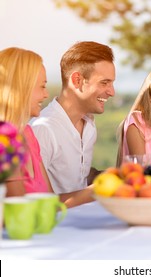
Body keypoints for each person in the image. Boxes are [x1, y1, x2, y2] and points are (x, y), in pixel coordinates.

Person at [0, 47, 94, 207]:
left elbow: (49, 203)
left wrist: (98, 190)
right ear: (22, 88)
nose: (46, 95)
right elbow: (18, 214)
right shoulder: (5, 141)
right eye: (42, 86)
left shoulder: (27, 135)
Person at [31, 41, 116, 195]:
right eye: (104, 83)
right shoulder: (42, 130)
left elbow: (77, 178)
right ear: (77, 80)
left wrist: (113, 176)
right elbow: (40, 203)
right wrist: (98, 191)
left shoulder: (89, 125)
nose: (112, 92)